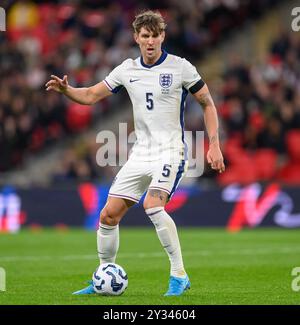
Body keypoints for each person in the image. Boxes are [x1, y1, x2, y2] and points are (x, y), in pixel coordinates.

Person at [45, 10, 225, 296]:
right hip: (141, 153)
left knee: (152, 205)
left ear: (163, 36)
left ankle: (179, 275)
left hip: (170, 152)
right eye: (145, 36)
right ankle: (102, 276)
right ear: (136, 38)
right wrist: (68, 91)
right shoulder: (127, 70)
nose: (150, 42)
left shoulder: (181, 68)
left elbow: (208, 104)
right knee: (107, 215)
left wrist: (214, 144)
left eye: (155, 36)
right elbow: (91, 96)